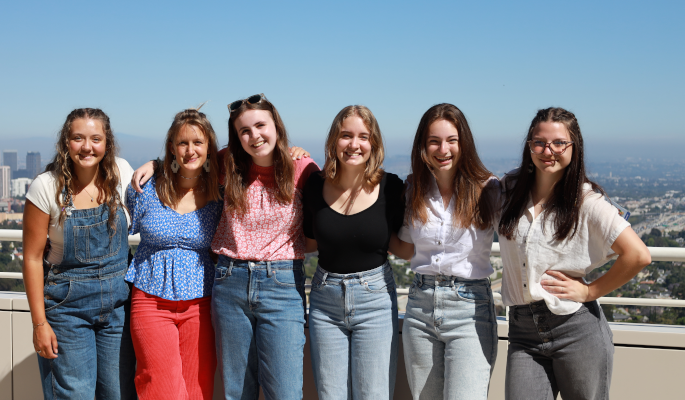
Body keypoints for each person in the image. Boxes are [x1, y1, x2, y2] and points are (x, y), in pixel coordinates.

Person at [131, 94, 318, 400]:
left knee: (284, 391)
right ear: (236, 137)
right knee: (236, 391)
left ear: (277, 126)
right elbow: (190, 159)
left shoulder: (302, 168)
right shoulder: (227, 166)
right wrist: (155, 163)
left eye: (261, 125)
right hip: (230, 283)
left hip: (281, 284)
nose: (254, 135)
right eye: (245, 131)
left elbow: (320, 225)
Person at [497, 107, 651, 399]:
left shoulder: (587, 201)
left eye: (559, 143)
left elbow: (638, 255)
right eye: (539, 142)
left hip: (575, 329)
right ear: (529, 145)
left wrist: (590, 291)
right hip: (522, 331)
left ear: (573, 147)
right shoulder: (509, 190)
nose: (548, 150)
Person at [23, 108, 135, 399]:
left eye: (95, 138)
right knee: (74, 394)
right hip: (67, 309)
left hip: (119, 307)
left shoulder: (123, 172)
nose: (87, 147)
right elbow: (33, 258)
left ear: (107, 143)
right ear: (66, 143)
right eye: (78, 138)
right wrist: (39, 324)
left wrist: (157, 164)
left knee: (118, 392)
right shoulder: (46, 187)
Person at [388, 103, 499, 400]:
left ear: (464, 143)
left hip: (470, 309)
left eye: (452, 140)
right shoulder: (414, 190)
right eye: (434, 141)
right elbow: (407, 248)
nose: (443, 149)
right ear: (423, 147)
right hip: (420, 307)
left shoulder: (490, 190)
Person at [303, 105, 404, 399]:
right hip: (324, 301)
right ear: (334, 140)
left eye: (363, 136)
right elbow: (308, 243)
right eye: (346, 135)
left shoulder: (391, 188)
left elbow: (404, 248)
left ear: (374, 143)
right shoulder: (314, 185)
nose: (354, 144)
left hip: (375, 301)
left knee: (372, 394)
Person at [125, 108, 222, 399]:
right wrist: (155, 164)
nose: (191, 150)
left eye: (198, 143)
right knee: (160, 388)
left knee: (197, 388)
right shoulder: (146, 188)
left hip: (201, 305)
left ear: (209, 148)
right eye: (183, 143)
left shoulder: (221, 194)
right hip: (151, 302)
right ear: (171, 147)